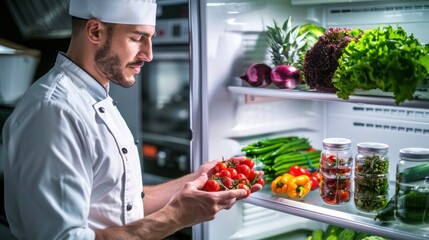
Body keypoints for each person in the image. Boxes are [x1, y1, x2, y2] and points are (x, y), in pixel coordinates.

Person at [2, 0, 262, 239]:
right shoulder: (54, 112)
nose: (148, 54)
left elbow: (120, 202)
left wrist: (197, 179)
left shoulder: (93, 94)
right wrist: (176, 216)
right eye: (138, 38)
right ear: (95, 32)